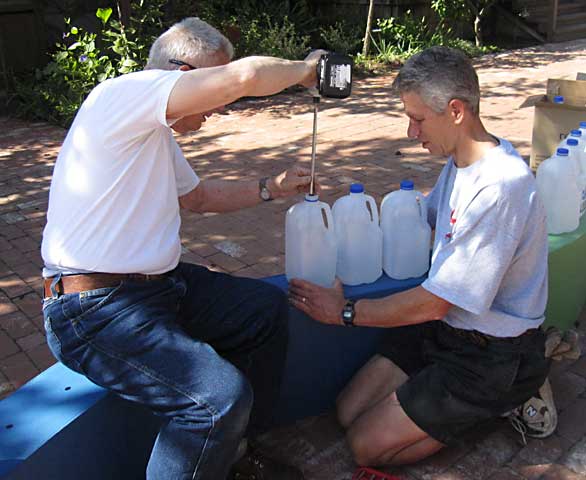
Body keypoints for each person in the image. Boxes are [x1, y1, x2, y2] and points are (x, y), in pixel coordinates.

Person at [41, 17, 324, 480]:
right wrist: (307, 70)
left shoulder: (153, 133)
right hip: (92, 311)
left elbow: (198, 198)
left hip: (157, 290)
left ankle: (235, 456)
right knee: (217, 400)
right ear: (180, 71)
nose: (216, 106)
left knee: (264, 312)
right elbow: (245, 78)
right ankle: (219, 438)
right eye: (210, 84)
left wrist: (270, 188)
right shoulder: (122, 95)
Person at [289, 46, 554, 467]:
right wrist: (341, 252)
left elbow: (437, 299)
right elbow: (422, 222)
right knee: (347, 411)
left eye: (417, 119)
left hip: (493, 351)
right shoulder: (459, 162)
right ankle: (455, 400)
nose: (412, 133)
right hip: (446, 329)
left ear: (455, 111)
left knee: (365, 446)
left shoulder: (503, 187)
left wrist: (345, 312)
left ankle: (512, 392)